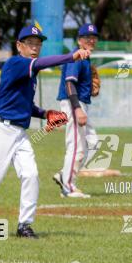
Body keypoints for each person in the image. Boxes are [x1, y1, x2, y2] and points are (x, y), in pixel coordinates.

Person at [0, 22, 90, 238]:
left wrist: (46, 113)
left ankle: (24, 225)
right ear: (19, 46)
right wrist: (71, 56)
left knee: (30, 174)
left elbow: (25, 106)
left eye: (38, 43)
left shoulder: (29, 72)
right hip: (0, 129)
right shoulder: (16, 63)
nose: (35, 47)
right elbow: (43, 63)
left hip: (19, 132)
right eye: (30, 43)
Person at [53, 23, 100, 198]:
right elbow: (69, 82)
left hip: (80, 103)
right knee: (76, 146)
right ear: (80, 40)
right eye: (87, 37)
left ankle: (63, 175)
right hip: (74, 103)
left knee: (92, 142)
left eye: (94, 37)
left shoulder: (85, 58)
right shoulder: (78, 56)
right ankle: (69, 187)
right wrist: (77, 109)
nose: (91, 40)